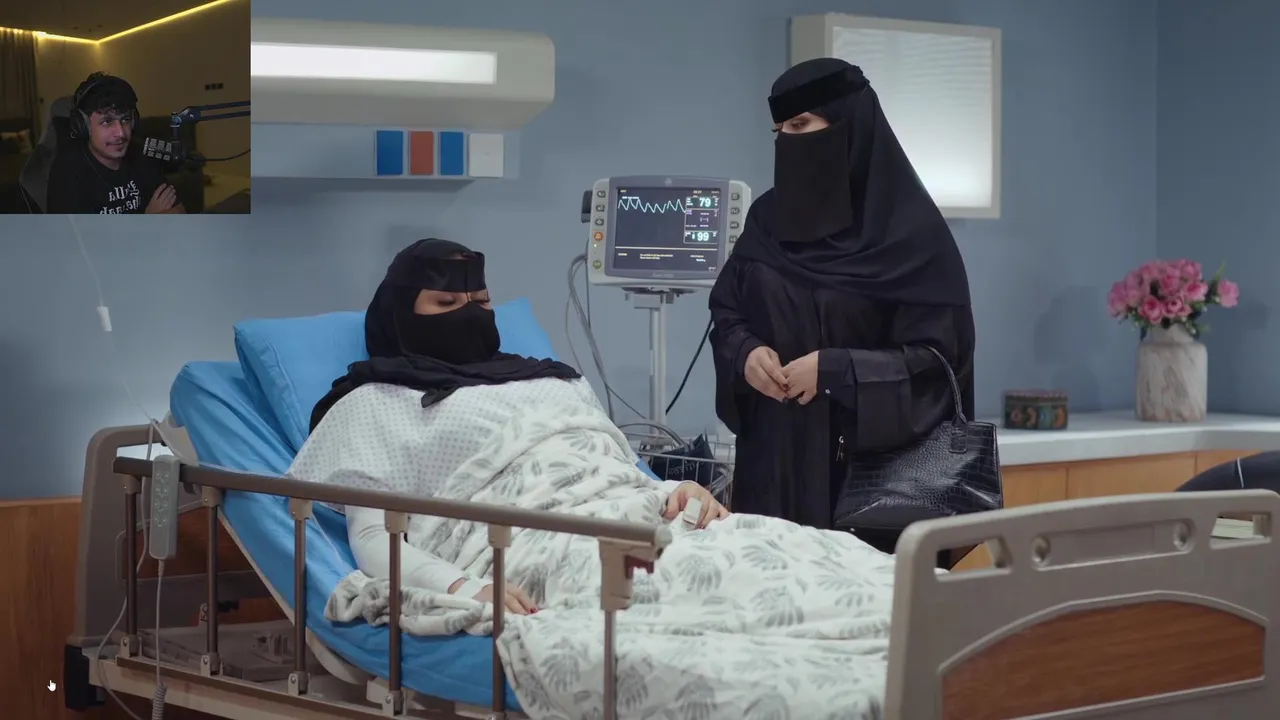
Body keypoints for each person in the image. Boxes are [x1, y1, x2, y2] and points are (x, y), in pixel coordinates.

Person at [289, 238, 901, 719]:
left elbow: (610, 467)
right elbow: (374, 540)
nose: (468, 315)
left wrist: (672, 489)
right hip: (535, 541)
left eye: (480, 302)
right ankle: (874, 674)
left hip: (640, 513)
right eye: (445, 305)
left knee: (768, 548)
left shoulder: (548, 378)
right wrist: (465, 587)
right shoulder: (375, 403)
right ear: (403, 315)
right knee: (676, 583)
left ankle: (906, 610)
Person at [708, 58, 976, 553]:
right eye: (779, 130)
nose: (786, 141)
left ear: (849, 125)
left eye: (800, 125)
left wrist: (839, 370)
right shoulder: (766, 221)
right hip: (770, 469)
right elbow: (728, 313)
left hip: (868, 486)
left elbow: (939, 363)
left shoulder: (912, 237)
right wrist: (745, 353)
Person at [46, 72, 184, 214]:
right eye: (107, 122)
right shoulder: (67, 171)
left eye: (125, 120)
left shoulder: (141, 155)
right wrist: (147, 220)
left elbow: (179, 211)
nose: (121, 133)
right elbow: (74, 230)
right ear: (84, 126)